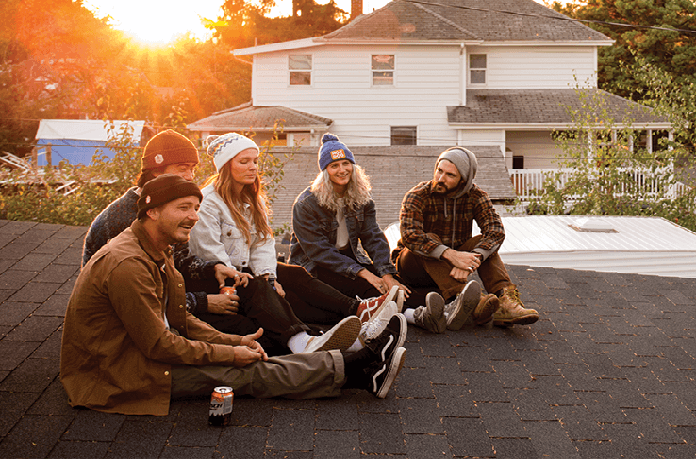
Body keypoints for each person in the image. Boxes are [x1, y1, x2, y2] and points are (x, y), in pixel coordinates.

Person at [60, 174, 408, 416]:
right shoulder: (127, 265)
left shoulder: (154, 247)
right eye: (182, 208)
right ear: (151, 211)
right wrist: (226, 353)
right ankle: (356, 371)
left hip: (139, 352)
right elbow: (158, 345)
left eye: (195, 208)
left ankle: (354, 362)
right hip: (116, 374)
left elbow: (179, 316)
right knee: (240, 374)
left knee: (246, 356)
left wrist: (232, 342)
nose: (193, 217)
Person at [80, 130, 385, 355]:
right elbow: (143, 290)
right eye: (180, 169)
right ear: (154, 171)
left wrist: (232, 271)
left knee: (282, 280)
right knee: (252, 321)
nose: (189, 176)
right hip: (130, 316)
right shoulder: (130, 218)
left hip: (185, 287)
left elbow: (186, 258)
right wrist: (205, 296)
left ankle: (346, 323)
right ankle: (318, 344)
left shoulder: (178, 203)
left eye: (191, 169)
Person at [188, 133, 401, 351]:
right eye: (244, 162)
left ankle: (361, 313)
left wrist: (269, 276)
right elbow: (210, 252)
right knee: (287, 299)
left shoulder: (253, 198)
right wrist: (263, 283)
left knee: (294, 274)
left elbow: (262, 244)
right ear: (225, 166)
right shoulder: (208, 203)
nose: (253, 167)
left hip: (251, 270)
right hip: (223, 277)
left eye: (254, 161)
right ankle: (317, 338)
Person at [289, 133, 479, 334]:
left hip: (349, 260)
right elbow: (319, 252)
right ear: (325, 171)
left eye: (346, 163)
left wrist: (387, 273)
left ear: (353, 166)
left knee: (395, 286)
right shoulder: (306, 204)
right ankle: (419, 316)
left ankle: (444, 309)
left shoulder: (360, 197)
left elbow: (373, 237)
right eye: (334, 165)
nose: (342, 170)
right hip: (315, 266)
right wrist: (366, 273)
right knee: (365, 286)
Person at [393, 146, 540, 328]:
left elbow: (496, 230)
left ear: (464, 179)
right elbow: (410, 236)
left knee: (483, 242)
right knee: (428, 238)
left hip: (454, 266)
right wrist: (451, 256)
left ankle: (505, 302)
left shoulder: (475, 196)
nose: (440, 178)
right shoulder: (418, 195)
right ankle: (470, 299)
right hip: (413, 267)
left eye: (450, 175)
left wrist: (473, 259)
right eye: (439, 170)